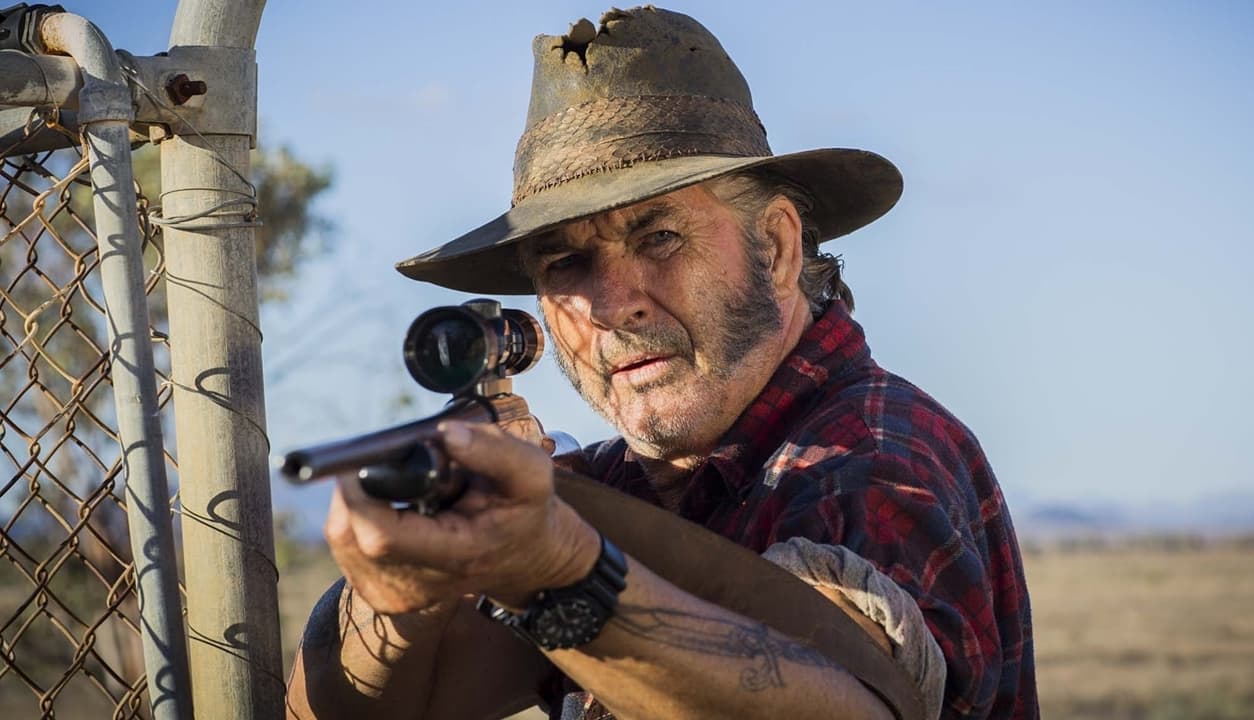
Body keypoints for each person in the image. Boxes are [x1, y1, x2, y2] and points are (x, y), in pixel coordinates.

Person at [286, 6, 1037, 720]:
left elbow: (839, 701)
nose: (612, 304)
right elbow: (365, 707)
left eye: (659, 239)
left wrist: (560, 573)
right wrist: (398, 592)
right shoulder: (615, 487)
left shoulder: (869, 459)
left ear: (776, 248)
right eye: (565, 263)